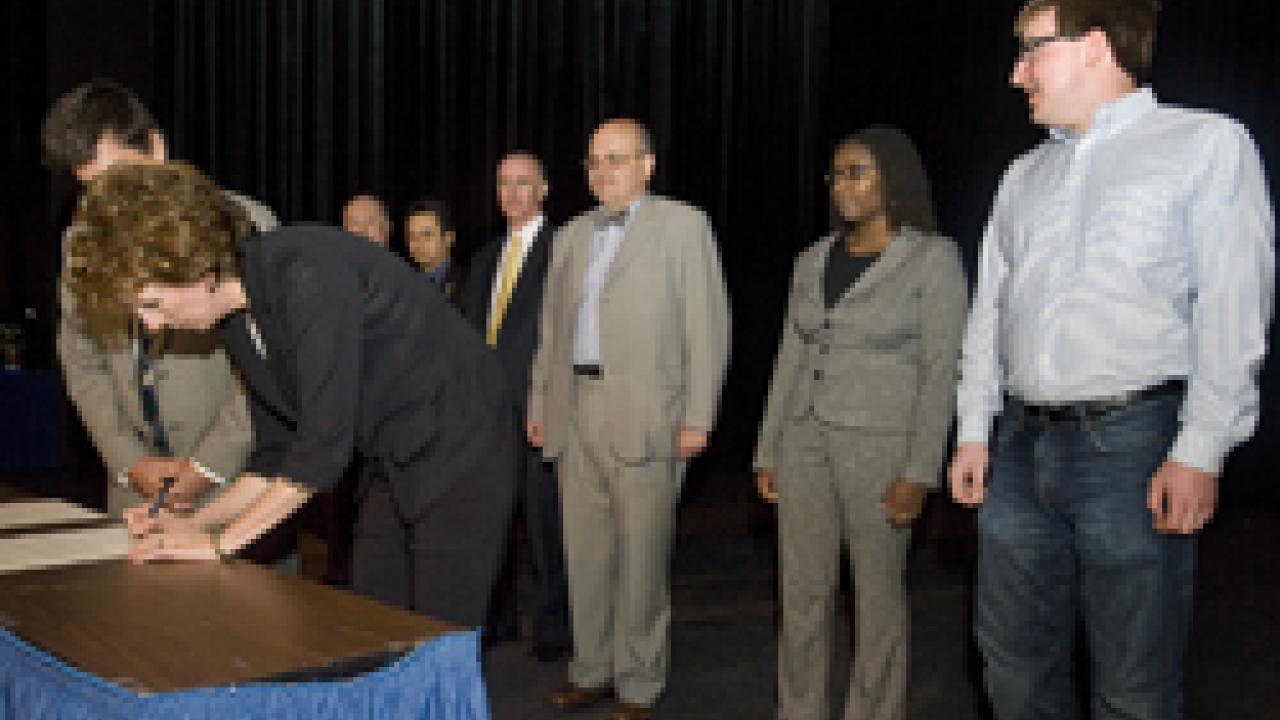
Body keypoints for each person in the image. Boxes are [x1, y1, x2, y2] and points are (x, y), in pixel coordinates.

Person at [948, 1, 1275, 718]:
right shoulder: (1022, 176)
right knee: (1012, 671)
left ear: (1094, 46)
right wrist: (975, 427)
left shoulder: (1205, 144)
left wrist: (1203, 447)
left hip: (1134, 449)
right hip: (1019, 449)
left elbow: (1234, 303)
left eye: (1031, 51)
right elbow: (990, 313)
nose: (1015, 74)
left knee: (1132, 687)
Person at [66, 161, 516, 630]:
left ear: (197, 266)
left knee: (439, 635)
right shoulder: (239, 319)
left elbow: (321, 452)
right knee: (376, 620)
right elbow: (276, 453)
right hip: (394, 453)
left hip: (465, 445)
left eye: (152, 304)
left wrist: (220, 544)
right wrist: (195, 524)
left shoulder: (306, 273)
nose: (153, 325)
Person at [754, 127, 967, 720]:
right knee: (800, 597)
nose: (844, 185)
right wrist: (767, 448)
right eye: (837, 174)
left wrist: (920, 471)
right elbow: (790, 357)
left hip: (880, 451)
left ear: (891, 179)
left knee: (875, 600)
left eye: (858, 172)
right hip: (803, 443)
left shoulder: (931, 259)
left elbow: (941, 369)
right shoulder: (811, 260)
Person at [528, 118, 731, 720]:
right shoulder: (569, 236)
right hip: (577, 410)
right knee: (584, 555)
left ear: (647, 165)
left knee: (642, 559)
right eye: (593, 161)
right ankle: (590, 669)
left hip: (649, 418)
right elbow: (551, 332)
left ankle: (639, 683)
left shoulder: (683, 225)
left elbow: (707, 326)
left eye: (616, 159)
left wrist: (699, 415)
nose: (602, 171)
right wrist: (542, 403)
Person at [40, 79, 274, 518]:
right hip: (136, 494)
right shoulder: (80, 244)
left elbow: (269, 370)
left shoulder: (243, 224)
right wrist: (128, 462)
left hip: (238, 487)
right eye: (92, 188)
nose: (109, 203)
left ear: (156, 148)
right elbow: (81, 359)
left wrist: (208, 465)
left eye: (120, 179)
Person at [458, 151, 571, 660]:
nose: (512, 193)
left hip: (540, 409)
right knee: (491, 521)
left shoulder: (565, 250)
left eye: (523, 183)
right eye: (504, 183)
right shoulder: (484, 260)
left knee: (546, 524)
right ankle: (497, 618)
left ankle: (554, 628)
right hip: (487, 414)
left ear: (544, 189)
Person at [405, 198, 462, 301]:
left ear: (449, 237)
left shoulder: (467, 284)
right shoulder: (403, 284)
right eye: (412, 237)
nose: (418, 244)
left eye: (427, 235)